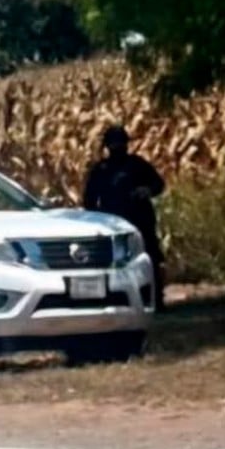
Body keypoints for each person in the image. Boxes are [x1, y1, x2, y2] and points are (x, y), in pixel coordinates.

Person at [82, 125, 167, 311]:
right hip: (112, 223)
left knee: (149, 257)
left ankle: (155, 298)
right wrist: (97, 219)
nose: (117, 147)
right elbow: (89, 200)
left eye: (120, 143)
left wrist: (146, 190)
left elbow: (158, 184)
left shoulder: (137, 164)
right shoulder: (101, 170)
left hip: (140, 218)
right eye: (114, 143)